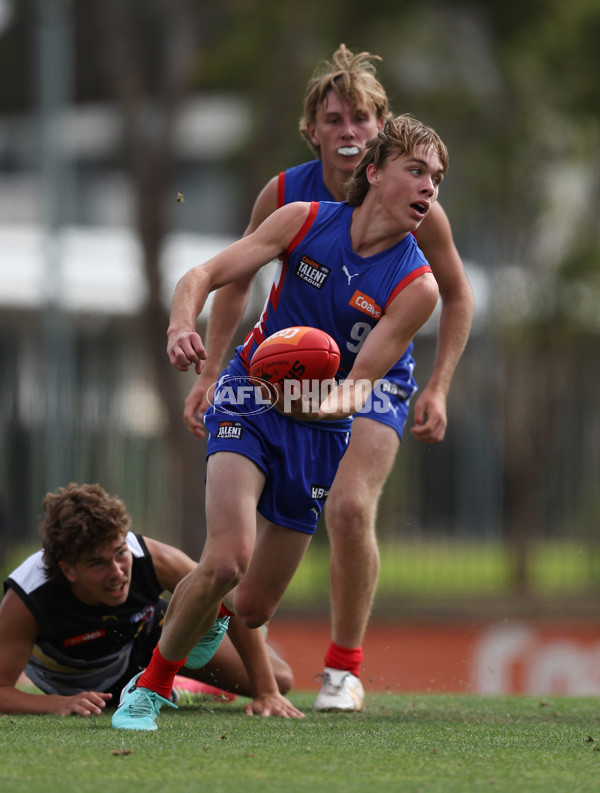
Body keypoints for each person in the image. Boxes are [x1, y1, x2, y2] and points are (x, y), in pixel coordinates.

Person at [111, 112, 447, 731]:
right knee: (226, 559)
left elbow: (358, 385)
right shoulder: (304, 219)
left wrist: (309, 403)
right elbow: (203, 275)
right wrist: (181, 326)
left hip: (320, 428)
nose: (430, 186)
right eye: (417, 170)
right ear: (374, 172)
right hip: (248, 394)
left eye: (437, 178)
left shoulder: (417, 285)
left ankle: (201, 617)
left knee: (253, 607)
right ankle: (148, 689)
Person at [181, 45, 474, 711]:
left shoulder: (419, 207)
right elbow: (233, 280)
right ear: (311, 130)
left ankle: (343, 669)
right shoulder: (288, 195)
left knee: (347, 506)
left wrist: (439, 385)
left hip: (374, 375)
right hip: (288, 369)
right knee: (238, 541)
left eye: (363, 118)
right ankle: (208, 626)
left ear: (380, 132)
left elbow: (456, 295)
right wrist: (209, 373)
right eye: (335, 118)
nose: (349, 130)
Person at [0, 482, 301, 718]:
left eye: (120, 553)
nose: (117, 573)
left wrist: (266, 693)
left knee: (279, 679)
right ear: (68, 570)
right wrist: (57, 703)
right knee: (112, 701)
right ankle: (179, 688)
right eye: (97, 564)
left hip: (146, 632)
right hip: (89, 681)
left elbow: (227, 596)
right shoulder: (28, 597)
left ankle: (177, 674)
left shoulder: (150, 557)